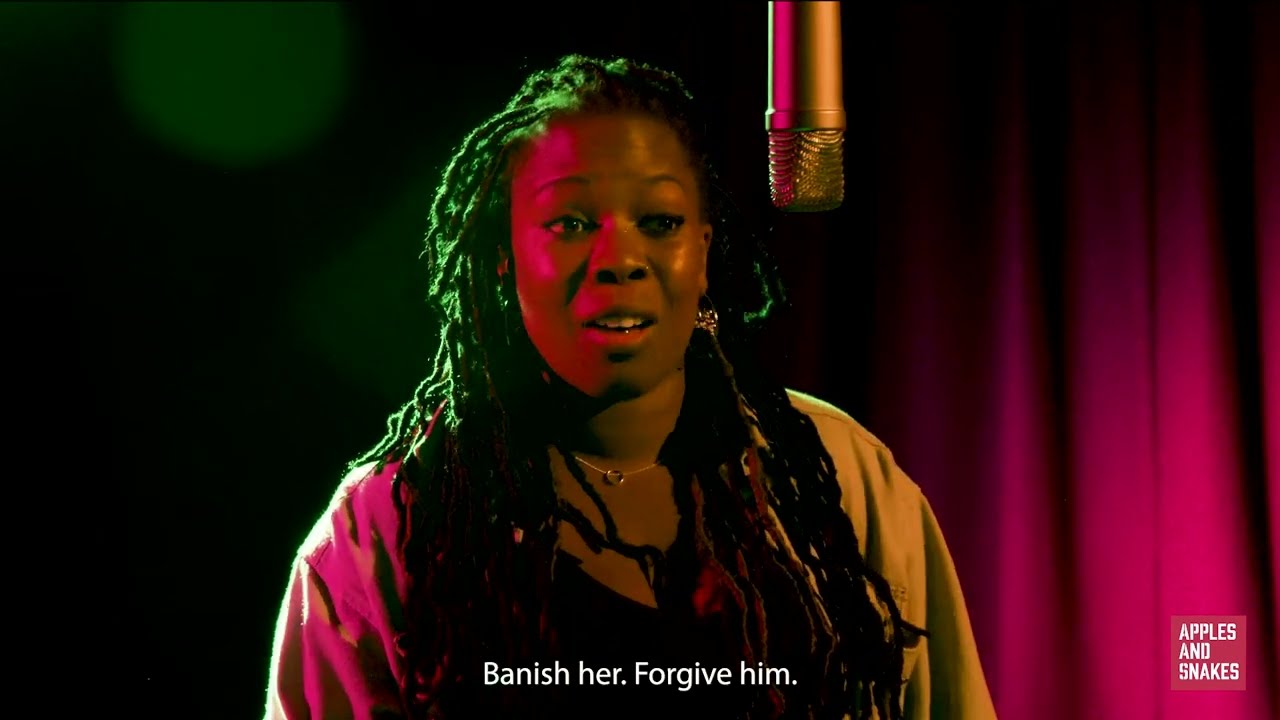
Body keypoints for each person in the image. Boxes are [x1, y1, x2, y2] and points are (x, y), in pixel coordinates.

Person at [264, 54, 997, 720]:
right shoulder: (386, 527)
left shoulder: (840, 478)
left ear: (702, 254)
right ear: (501, 259)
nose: (620, 259)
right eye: (572, 222)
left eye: (659, 221)